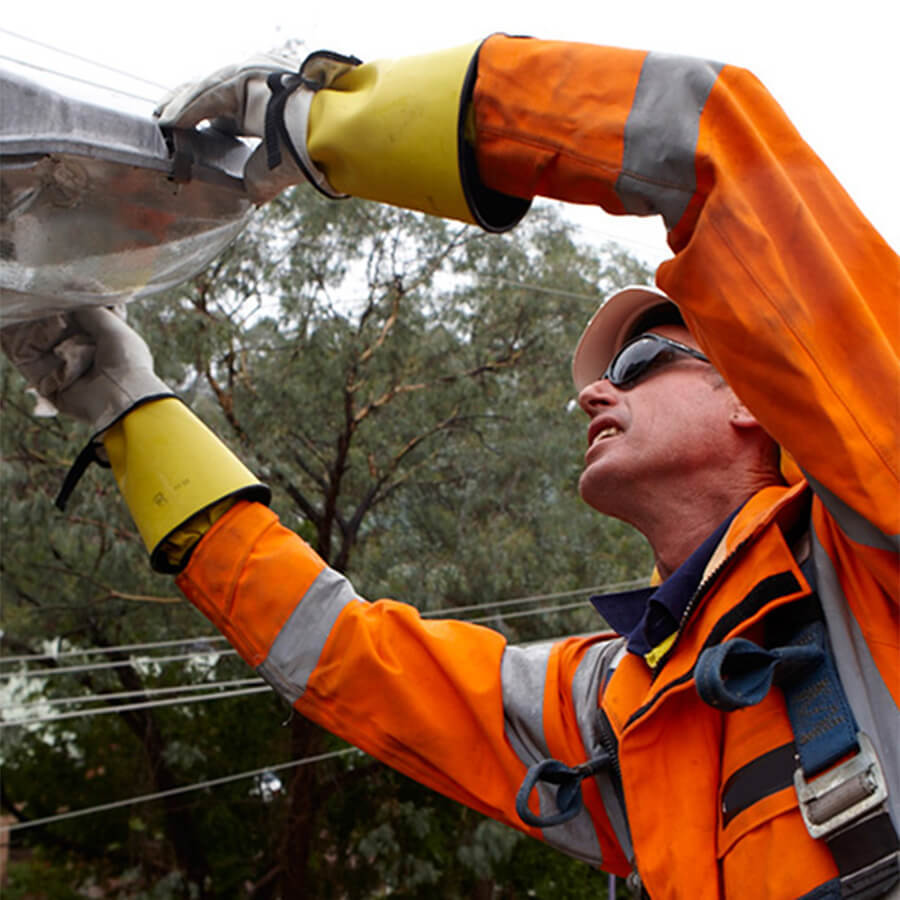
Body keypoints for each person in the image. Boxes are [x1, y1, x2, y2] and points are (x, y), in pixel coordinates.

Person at [3, 34, 897, 900]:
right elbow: (349, 657)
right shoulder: (622, 701)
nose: (592, 397)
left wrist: (325, 125)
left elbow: (709, 138)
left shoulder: (874, 551)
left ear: (753, 397)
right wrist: (127, 405)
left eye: (635, 366)